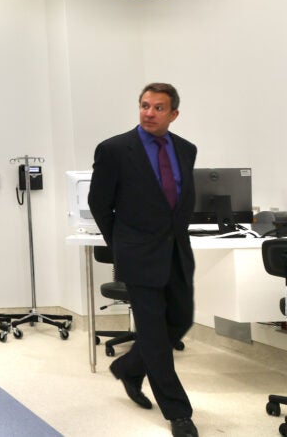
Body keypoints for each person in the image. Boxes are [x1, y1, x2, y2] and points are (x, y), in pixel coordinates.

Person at [88, 83, 199, 437]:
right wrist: (120, 244)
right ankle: (178, 413)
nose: (149, 113)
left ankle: (128, 367)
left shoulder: (186, 149)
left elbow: (179, 200)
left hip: (177, 253)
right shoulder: (115, 150)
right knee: (152, 333)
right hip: (138, 255)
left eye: (158, 108)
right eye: (144, 106)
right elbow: (99, 203)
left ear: (174, 114)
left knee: (179, 322)